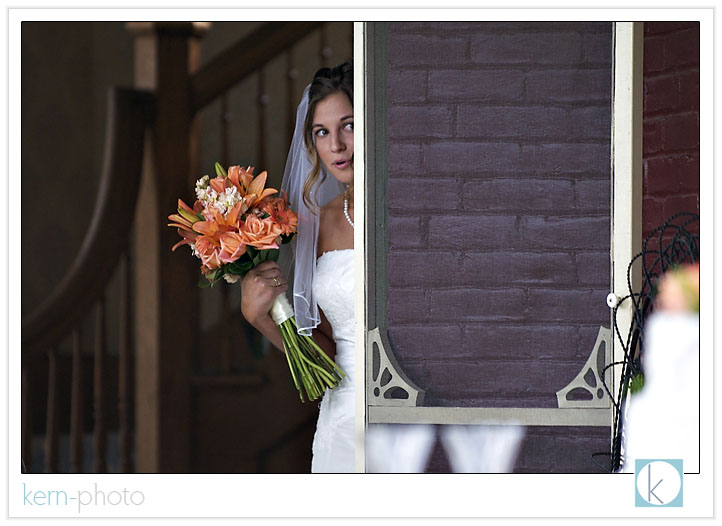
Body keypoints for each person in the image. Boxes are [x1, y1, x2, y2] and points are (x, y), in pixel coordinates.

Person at [240, 62, 355, 473]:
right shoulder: (317, 223)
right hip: (344, 425)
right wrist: (262, 317)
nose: (337, 145)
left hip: (411, 413)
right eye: (322, 132)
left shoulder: (412, 216)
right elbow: (328, 356)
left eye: (349, 125)